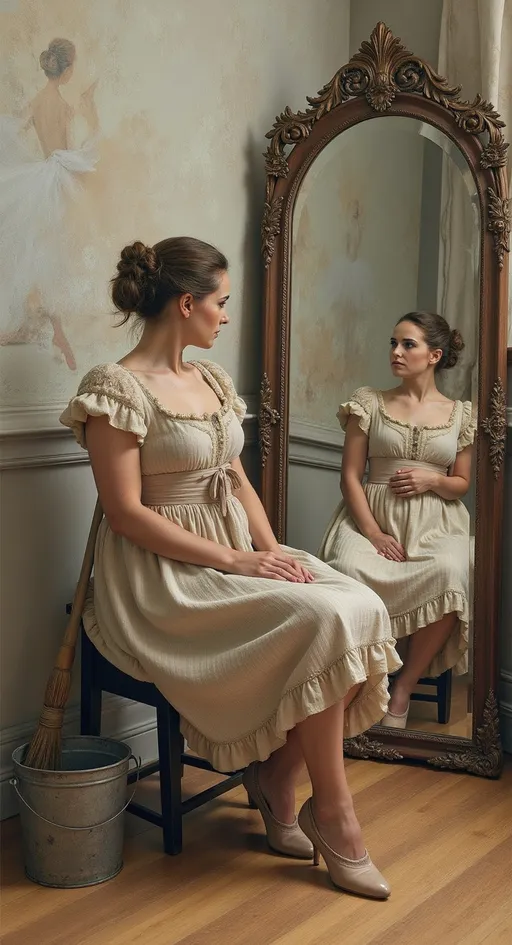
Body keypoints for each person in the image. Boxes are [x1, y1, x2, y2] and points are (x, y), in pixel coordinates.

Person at [61, 236, 401, 899]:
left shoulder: (210, 380)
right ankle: (334, 816)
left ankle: (278, 780)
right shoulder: (115, 387)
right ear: (186, 303)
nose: (225, 313)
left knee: (359, 604)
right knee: (325, 618)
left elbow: (237, 481)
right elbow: (126, 514)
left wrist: (273, 555)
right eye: (220, 301)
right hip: (159, 578)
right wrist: (237, 559)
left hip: (235, 553)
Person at [319, 312, 476, 728]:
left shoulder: (461, 414)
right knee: (348, 570)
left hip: (438, 523)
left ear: (434, 355)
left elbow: (461, 483)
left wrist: (432, 480)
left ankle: (402, 687)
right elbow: (350, 477)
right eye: (393, 343)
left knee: (450, 572)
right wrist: (372, 531)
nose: (396, 352)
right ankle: (356, 686)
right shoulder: (368, 402)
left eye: (408, 344)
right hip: (370, 516)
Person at [0, 38, 98, 368]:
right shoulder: (62, 106)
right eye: (74, 65)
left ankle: (52, 328)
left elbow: (13, 128)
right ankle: (55, 330)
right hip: (56, 180)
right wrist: (90, 111)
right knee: (49, 254)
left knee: (40, 252)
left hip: (42, 177)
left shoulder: (37, 100)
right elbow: (68, 149)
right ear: (66, 69)